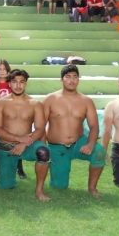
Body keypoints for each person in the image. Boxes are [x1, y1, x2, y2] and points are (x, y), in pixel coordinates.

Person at [43, 65, 106, 197]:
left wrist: (90, 144)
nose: (72, 80)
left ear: (78, 80)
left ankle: (92, 188)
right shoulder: (50, 99)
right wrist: (44, 147)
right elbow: (41, 125)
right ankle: (56, 173)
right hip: (57, 146)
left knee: (99, 152)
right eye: (68, 77)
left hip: (79, 142)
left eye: (75, 77)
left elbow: (94, 126)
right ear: (61, 80)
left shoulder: (86, 101)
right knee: (60, 186)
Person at [0, 69, 50, 200]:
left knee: (43, 152)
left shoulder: (35, 104)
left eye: (21, 82)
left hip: (28, 145)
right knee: (6, 186)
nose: (18, 85)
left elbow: (40, 129)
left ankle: (39, 190)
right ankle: (8, 176)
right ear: (9, 84)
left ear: (26, 83)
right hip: (6, 147)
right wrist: (18, 139)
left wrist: (23, 143)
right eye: (14, 82)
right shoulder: (0, 103)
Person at [0, 59, 26, 180]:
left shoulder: (13, 84)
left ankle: (19, 169)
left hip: (12, 118)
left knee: (17, 142)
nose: (2, 71)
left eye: (4, 69)